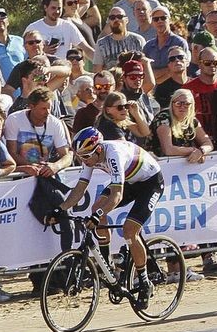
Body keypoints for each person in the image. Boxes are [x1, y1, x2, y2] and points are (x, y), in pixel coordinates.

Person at [64, 127, 168, 303]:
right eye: (80, 157)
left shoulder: (113, 154)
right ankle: (108, 264)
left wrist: (98, 215)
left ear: (98, 149)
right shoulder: (89, 155)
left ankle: (144, 280)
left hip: (150, 183)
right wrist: (60, 209)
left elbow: (116, 196)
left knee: (129, 230)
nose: (84, 161)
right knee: (96, 207)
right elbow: (79, 190)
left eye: (86, 157)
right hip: (129, 181)